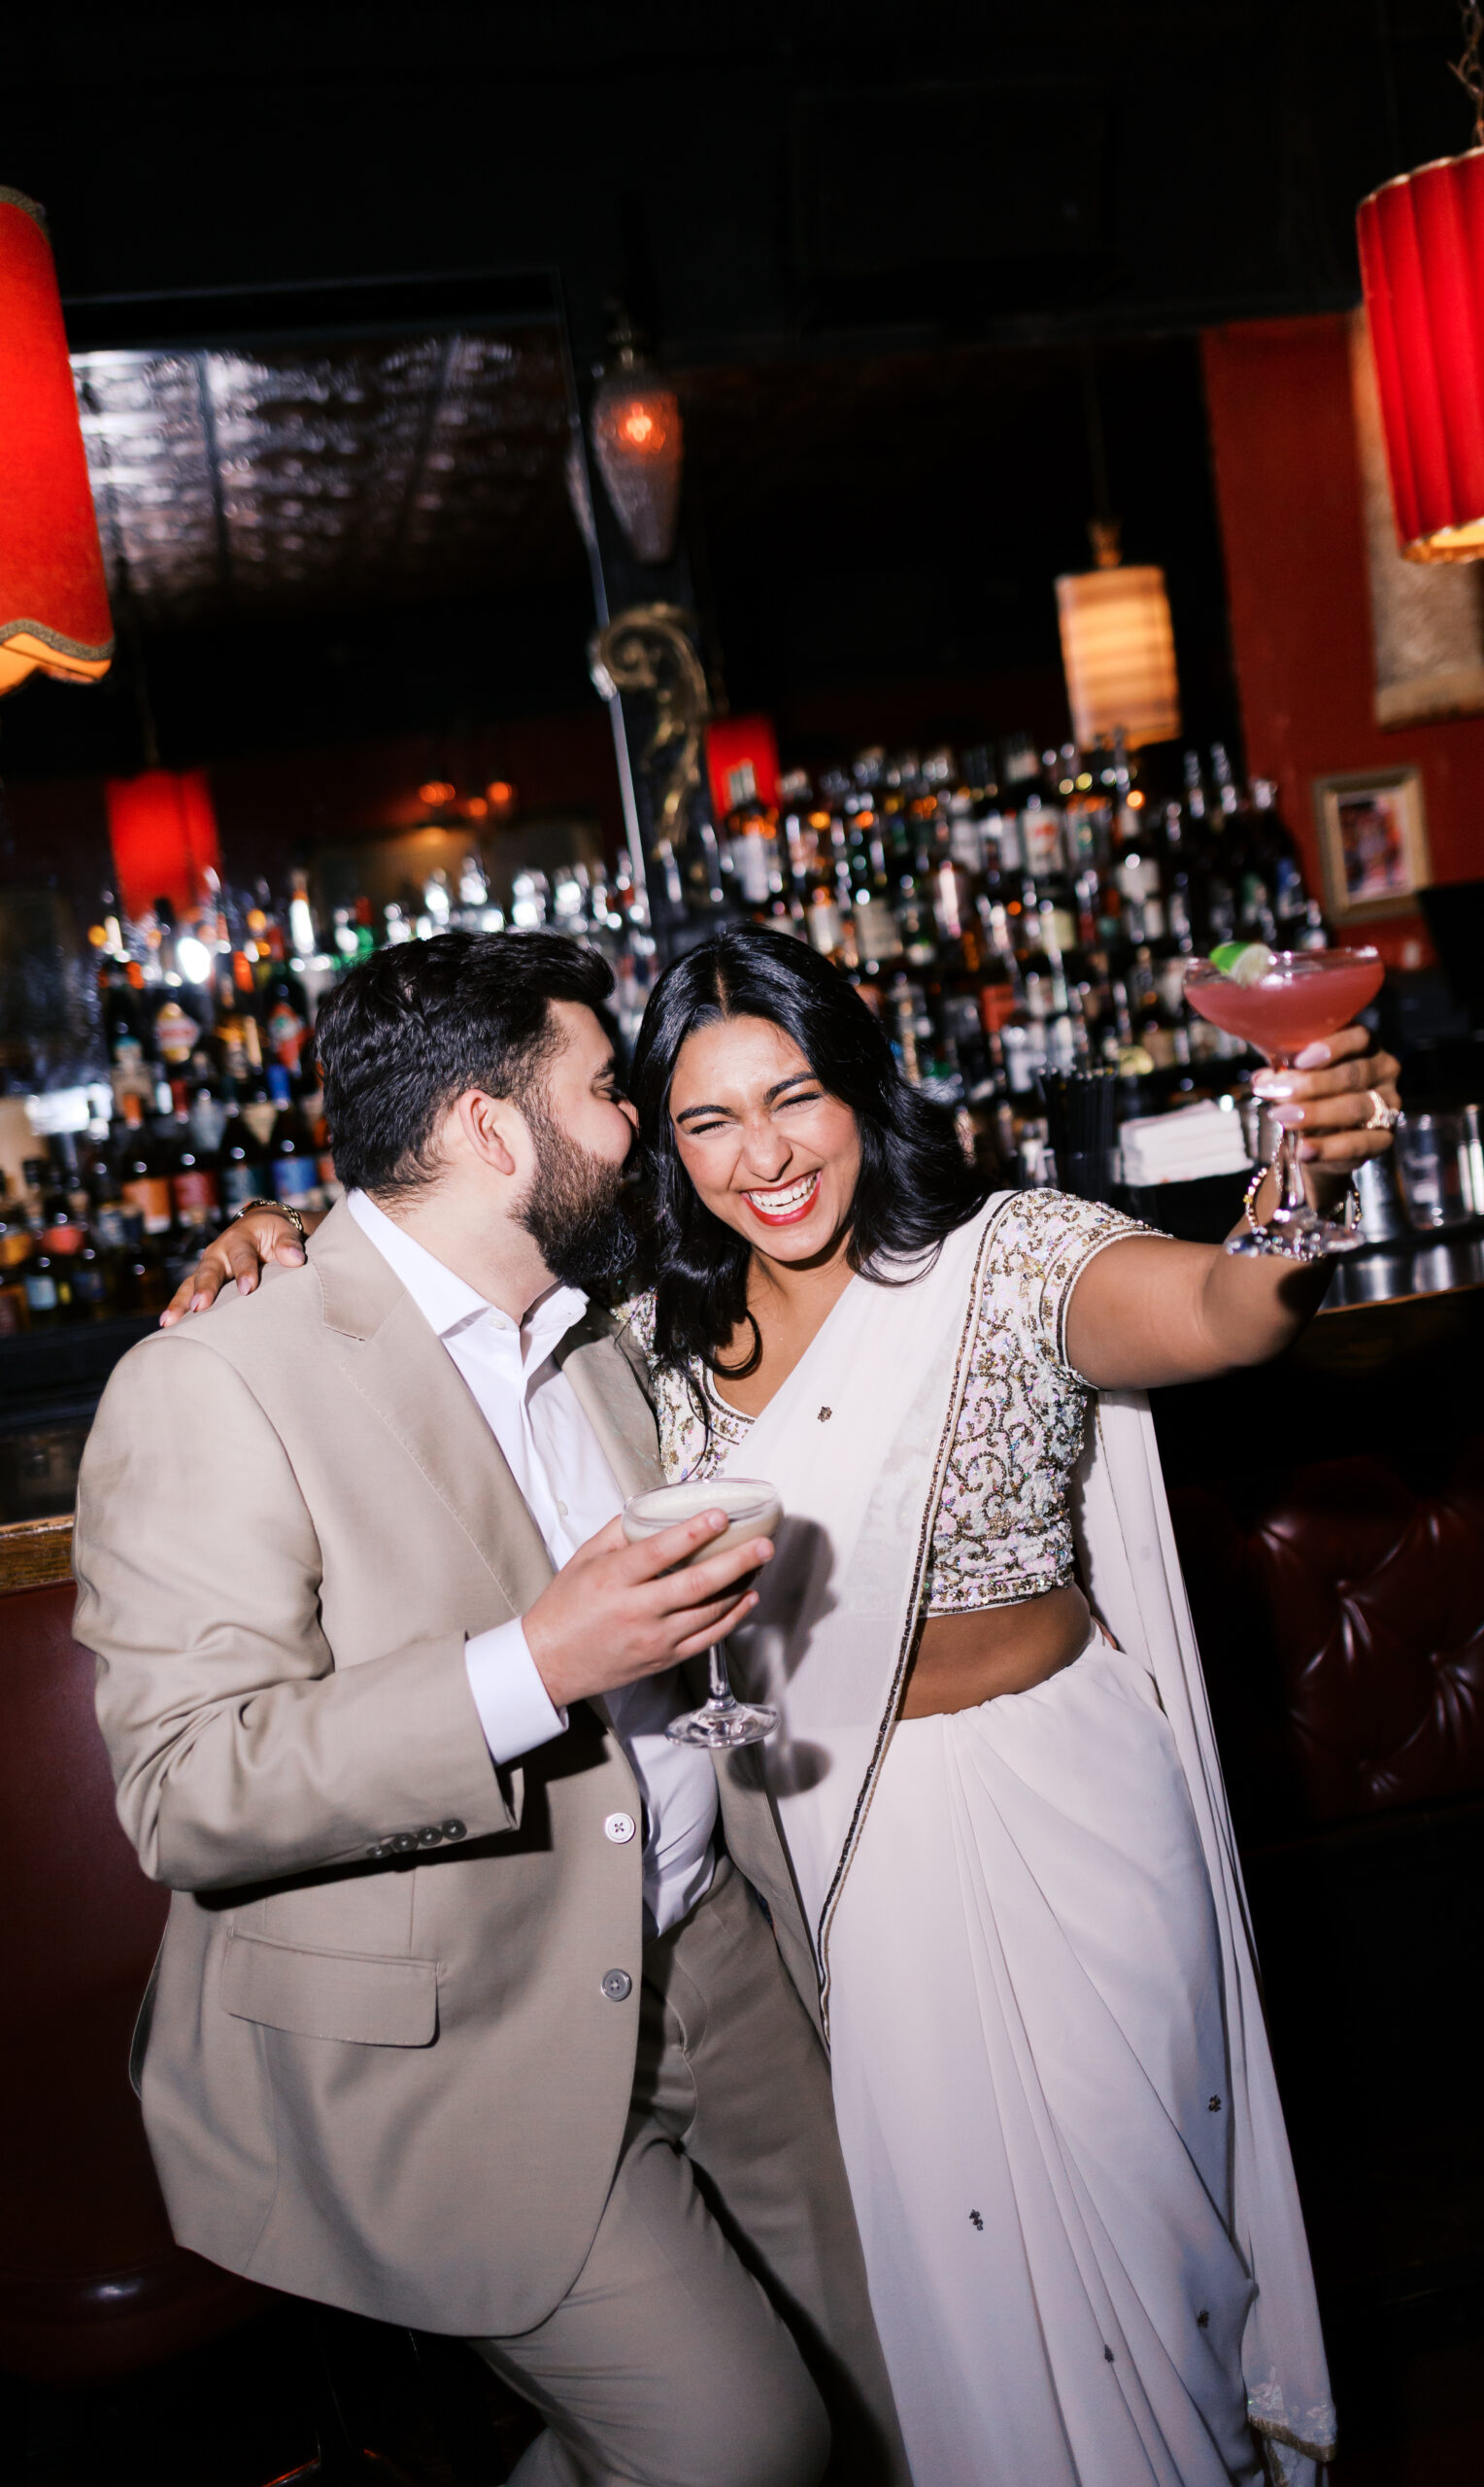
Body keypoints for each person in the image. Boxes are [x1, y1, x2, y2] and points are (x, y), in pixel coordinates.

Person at [181, 922, 1402, 2487]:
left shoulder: (1012, 1259)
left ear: (863, 1092)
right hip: (844, 1868)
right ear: (659, 1147)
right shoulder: (639, 1356)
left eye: (797, 1096)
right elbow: (424, 1290)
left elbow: (1232, 1312)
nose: (764, 1155)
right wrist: (275, 1228)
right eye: (704, 1121)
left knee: (1139, 2259)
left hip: (1065, 1821)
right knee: (947, 2312)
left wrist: (1299, 1188)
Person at [76, 932, 907, 2487]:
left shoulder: (597, 1336)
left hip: (716, 1957)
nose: (644, 1128)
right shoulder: (213, 1383)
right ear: (486, 1129)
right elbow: (187, 1792)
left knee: (892, 2386)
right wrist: (533, 1663)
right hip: (468, 2034)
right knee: (741, 2446)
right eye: (610, 1093)